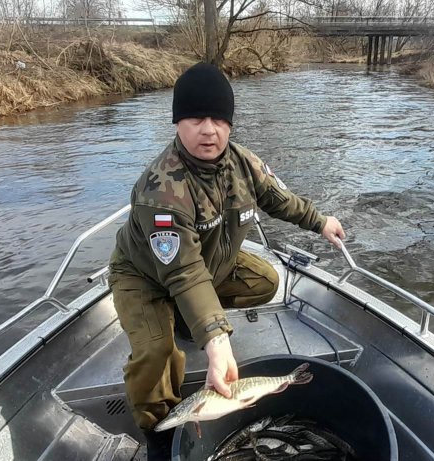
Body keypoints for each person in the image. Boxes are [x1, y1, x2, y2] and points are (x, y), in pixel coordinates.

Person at [107, 62, 346, 459]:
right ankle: (158, 435)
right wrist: (217, 343)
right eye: (196, 117)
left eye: (218, 118)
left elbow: (279, 200)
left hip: (208, 264)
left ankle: (189, 318)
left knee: (266, 281)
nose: (209, 129)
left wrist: (320, 222)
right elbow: (183, 272)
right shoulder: (160, 192)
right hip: (145, 277)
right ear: (177, 122)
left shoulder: (244, 164)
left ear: (230, 124)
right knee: (156, 353)